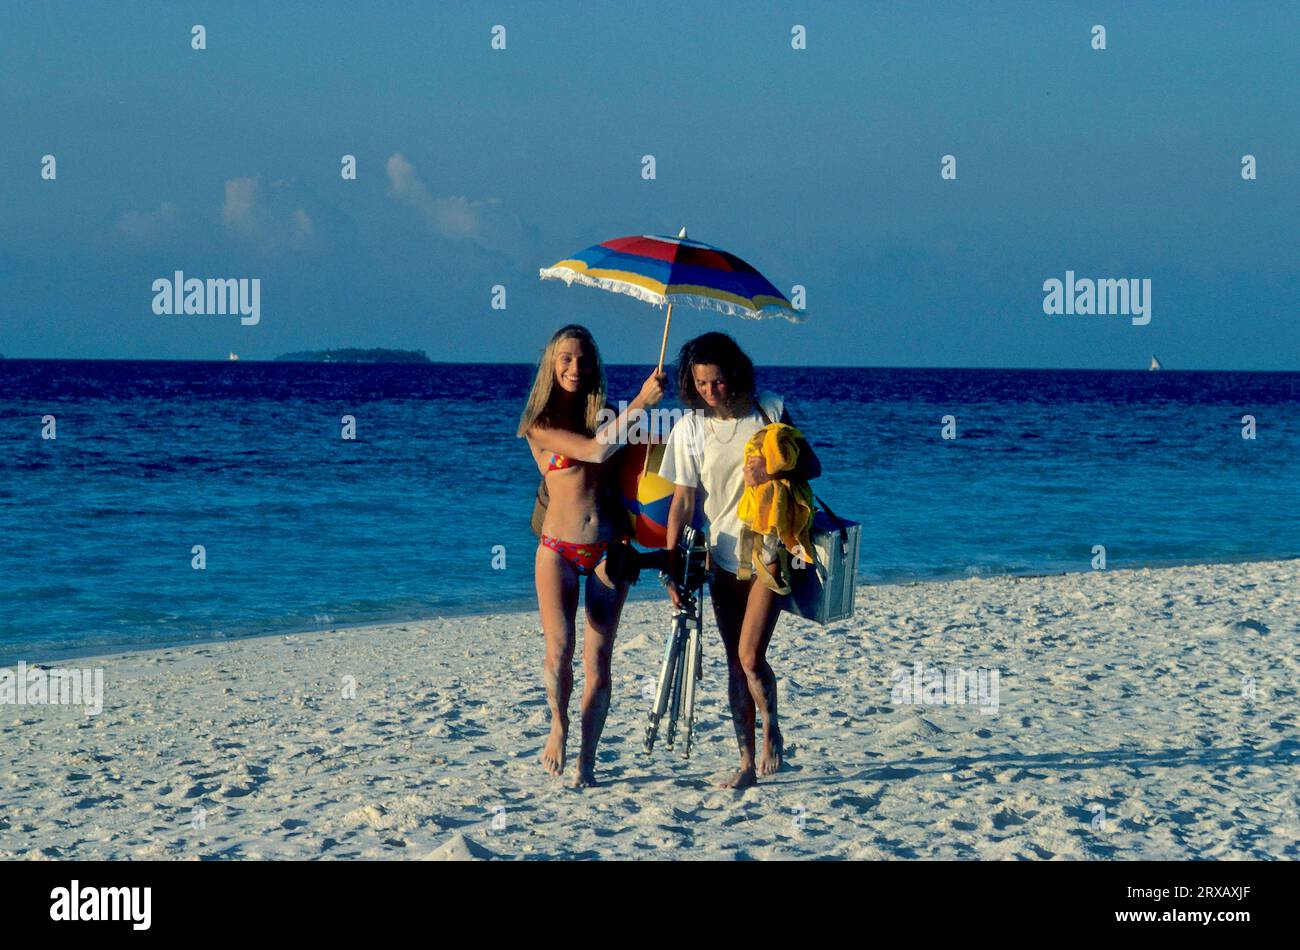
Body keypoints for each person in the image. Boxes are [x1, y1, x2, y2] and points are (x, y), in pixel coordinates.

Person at [660, 332, 820, 789]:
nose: (711, 391)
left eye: (718, 381)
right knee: (734, 664)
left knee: (751, 656)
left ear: (735, 373)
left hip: (770, 551)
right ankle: (746, 762)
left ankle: (771, 726)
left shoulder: (768, 410)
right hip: (722, 558)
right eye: (701, 383)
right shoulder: (690, 428)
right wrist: (671, 565)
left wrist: (772, 469)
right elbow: (682, 501)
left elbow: (812, 466)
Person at [517, 324, 667, 787]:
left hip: (608, 548)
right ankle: (558, 725)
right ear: (551, 364)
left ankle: (587, 760)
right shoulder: (539, 423)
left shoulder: (609, 416)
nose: (574, 367)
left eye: (583, 358)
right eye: (565, 358)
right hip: (558, 550)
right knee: (559, 651)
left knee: (598, 660)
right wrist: (642, 401)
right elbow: (595, 452)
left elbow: (654, 463)